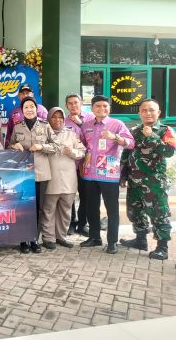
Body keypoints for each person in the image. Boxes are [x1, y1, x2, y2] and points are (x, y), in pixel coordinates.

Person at [119, 99, 175, 260]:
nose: (148, 113)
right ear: (139, 113)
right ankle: (140, 240)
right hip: (134, 181)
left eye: (151, 110)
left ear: (159, 113)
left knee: (159, 213)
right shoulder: (134, 130)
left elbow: (169, 152)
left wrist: (152, 136)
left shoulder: (165, 131)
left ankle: (162, 247)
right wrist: (123, 175)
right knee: (134, 211)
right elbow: (127, 153)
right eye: (144, 110)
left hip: (154, 183)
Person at [80, 95, 134, 254]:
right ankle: (94, 237)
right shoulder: (86, 125)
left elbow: (131, 143)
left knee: (112, 209)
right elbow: (81, 144)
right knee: (91, 207)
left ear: (109, 108)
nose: (101, 109)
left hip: (109, 174)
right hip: (90, 173)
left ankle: (112, 242)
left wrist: (115, 137)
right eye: (97, 106)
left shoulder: (117, 124)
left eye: (105, 106)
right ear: (92, 108)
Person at [9, 97, 57, 254]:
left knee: (38, 208)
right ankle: (23, 239)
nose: (29, 110)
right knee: (23, 207)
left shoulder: (45, 125)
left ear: (36, 109)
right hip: (23, 173)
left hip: (41, 173)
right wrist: (14, 145)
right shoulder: (17, 127)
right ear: (22, 110)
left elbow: (56, 146)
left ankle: (34, 239)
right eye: (26, 107)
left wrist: (42, 147)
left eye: (32, 107)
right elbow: (10, 145)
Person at [41, 107, 86, 249]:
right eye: (54, 117)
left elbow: (82, 152)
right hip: (50, 178)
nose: (57, 120)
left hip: (68, 179)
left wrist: (71, 151)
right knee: (49, 210)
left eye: (60, 117)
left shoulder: (71, 134)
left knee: (65, 210)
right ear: (49, 119)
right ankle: (48, 237)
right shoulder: (43, 134)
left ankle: (61, 236)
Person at [64, 93, 95, 236]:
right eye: (70, 103)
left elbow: (94, 138)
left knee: (85, 195)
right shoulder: (64, 121)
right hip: (70, 164)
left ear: (81, 103)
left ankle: (83, 224)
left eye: (75, 102)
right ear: (66, 106)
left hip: (86, 164)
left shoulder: (91, 118)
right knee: (69, 195)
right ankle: (71, 222)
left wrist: (81, 124)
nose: (73, 105)